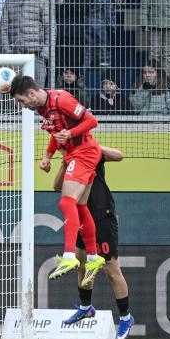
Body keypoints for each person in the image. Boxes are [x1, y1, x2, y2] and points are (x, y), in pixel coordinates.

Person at [10, 75, 104, 286]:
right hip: (74, 154)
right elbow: (56, 132)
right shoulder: (42, 109)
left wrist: (70, 133)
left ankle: (69, 256)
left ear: (32, 94)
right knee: (80, 206)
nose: (22, 106)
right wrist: (47, 155)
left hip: (84, 152)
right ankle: (92, 257)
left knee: (66, 201)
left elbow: (91, 121)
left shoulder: (61, 99)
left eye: (21, 101)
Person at [53, 145, 135, 339]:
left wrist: (95, 147)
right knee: (82, 264)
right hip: (80, 216)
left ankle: (126, 317)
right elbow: (57, 186)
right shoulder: (69, 158)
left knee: (111, 269)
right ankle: (85, 307)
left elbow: (120, 155)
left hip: (102, 217)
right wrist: (64, 164)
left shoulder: (91, 152)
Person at [0, 0, 49, 86]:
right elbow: (3, 28)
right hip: (16, 56)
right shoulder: (10, 1)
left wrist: (44, 54)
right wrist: (8, 52)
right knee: (15, 95)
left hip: (37, 56)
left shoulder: (43, 1)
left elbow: (50, 28)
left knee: (37, 94)